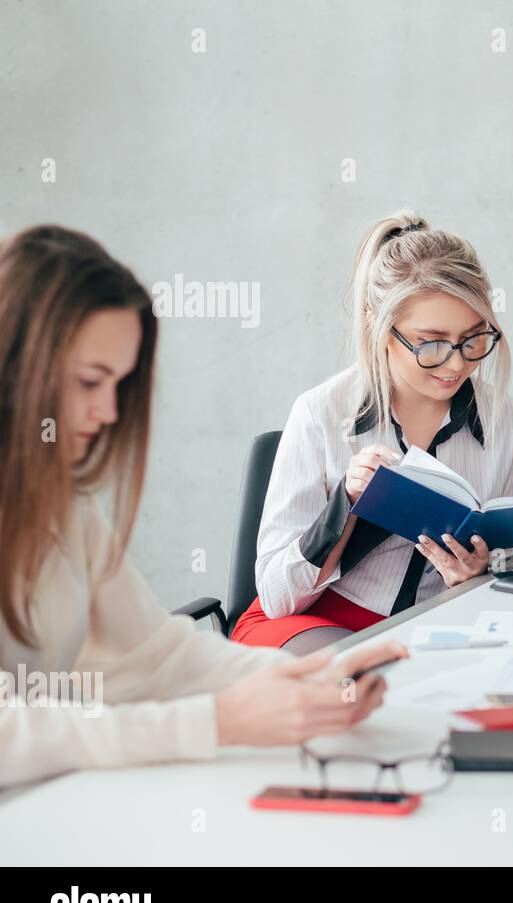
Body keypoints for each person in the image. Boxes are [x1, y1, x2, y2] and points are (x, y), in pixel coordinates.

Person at [0, 225, 403, 789]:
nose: (111, 412)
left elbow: (160, 654)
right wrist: (214, 722)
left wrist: (312, 681)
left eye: (120, 384)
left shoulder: (62, 507)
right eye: (90, 381)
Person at [232, 211, 513, 652]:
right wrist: (348, 505)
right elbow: (279, 597)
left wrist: (475, 576)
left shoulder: (510, 423)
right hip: (308, 620)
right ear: (378, 325)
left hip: (429, 628)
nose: (456, 364)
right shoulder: (320, 412)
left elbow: (498, 578)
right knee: (367, 684)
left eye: (472, 340)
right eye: (430, 344)